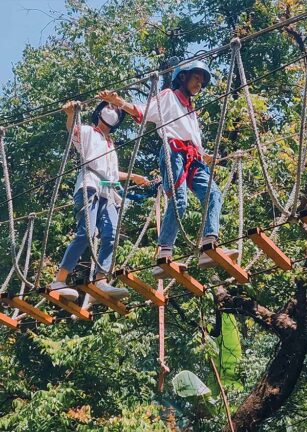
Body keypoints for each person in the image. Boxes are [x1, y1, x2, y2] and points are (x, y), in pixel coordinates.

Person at [100, 60, 237, 276]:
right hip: (173, 152)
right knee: (179, 201)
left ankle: (209, 245)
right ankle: (164, 252)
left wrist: (204, 154)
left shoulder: (191, 110)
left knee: (214, 194)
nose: (199, 84)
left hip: (192, 157)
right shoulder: (168, 96)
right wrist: (119, 102)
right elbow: (143, 110)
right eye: (196, 78)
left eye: (201, 82)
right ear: (182, 77)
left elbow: (192, 137)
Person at [51, 99, 150, 303]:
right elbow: (73, 130)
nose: (113, 111)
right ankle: (59, 280)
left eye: (117, 111)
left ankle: (100, 279)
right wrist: (71, 114)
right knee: (86, 233)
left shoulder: (110, 145)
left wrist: (132, 177)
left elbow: (110, 174)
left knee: (111, 234)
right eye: (110, 107)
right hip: (89, 185)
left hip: (107, 191)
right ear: (100, 111)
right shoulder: (89, 132)